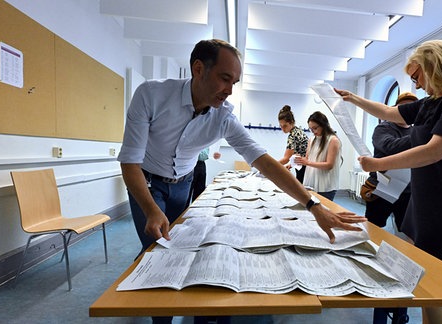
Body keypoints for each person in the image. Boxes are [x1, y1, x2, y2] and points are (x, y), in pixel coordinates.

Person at [117, 40, 367, 323]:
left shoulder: (223, 117)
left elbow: (265, 162)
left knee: (177, 247)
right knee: (155, 249)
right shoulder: (151, 95)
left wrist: (313, 206)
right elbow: (130, 162)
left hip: (183, 183)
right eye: (225, 78)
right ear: (198, 69)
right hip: (146, 181)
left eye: (234, 81)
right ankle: (160, 317)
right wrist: (150, 208)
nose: (230, 89)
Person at [336, 39, 442, 324]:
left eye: (416, 76)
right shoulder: (435, 101)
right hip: (427, 198)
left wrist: (377, 164)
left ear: (434, 65)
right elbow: (389, 113)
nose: (417, 85)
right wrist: (352, 98)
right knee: (425, 278)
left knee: (440, 287)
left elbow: (437, 149)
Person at [363, 92, 418, 230]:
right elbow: (390, 147)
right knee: (373, 227)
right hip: (382, 188)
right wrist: (422, 136)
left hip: (407, 191)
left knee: (406, 231)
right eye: (403, 108)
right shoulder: (383, 128)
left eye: (411, 109)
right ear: (395, 109)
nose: (407, 112)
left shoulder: (415, 131)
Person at [295, 111, 341, 201]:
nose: (313, 131)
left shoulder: (333, 140)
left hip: (326, 186)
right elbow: (308, 159)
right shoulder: (311, 139)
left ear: (323, 125)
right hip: (310, 183)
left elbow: (329, 165)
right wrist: (296, 161)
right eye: (311, 129)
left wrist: (307, 162)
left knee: (324, 211)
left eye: (315, 128)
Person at [277, 105, 309, 183]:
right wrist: (291, 164)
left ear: (292, 122)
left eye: (285, 126)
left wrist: (271, 166)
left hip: (304, 167)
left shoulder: (293, 136)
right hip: (305, 165)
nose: (283, 129)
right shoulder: (298, 131)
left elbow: (286, 158)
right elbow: (301, 152)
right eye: (281, 126)